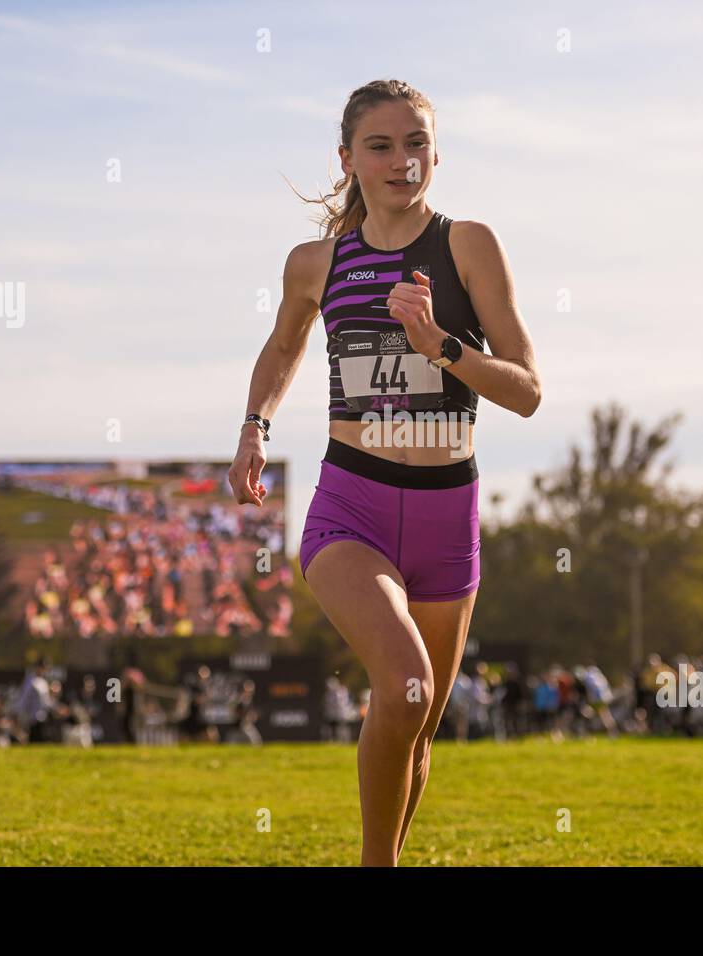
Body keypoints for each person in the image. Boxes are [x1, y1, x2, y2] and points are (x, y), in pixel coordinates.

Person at [228, 79, 541, 866]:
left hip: (446, 512)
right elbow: (284, 346)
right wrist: (254, 427)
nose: (403, 161)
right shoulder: (315, 262)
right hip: (353, 506)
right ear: (347, 159)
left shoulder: (468, 244)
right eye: (381, 145)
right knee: (405, 684)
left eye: (417, 144)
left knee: (418, 721)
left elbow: (528, 392)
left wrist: (440, 344)